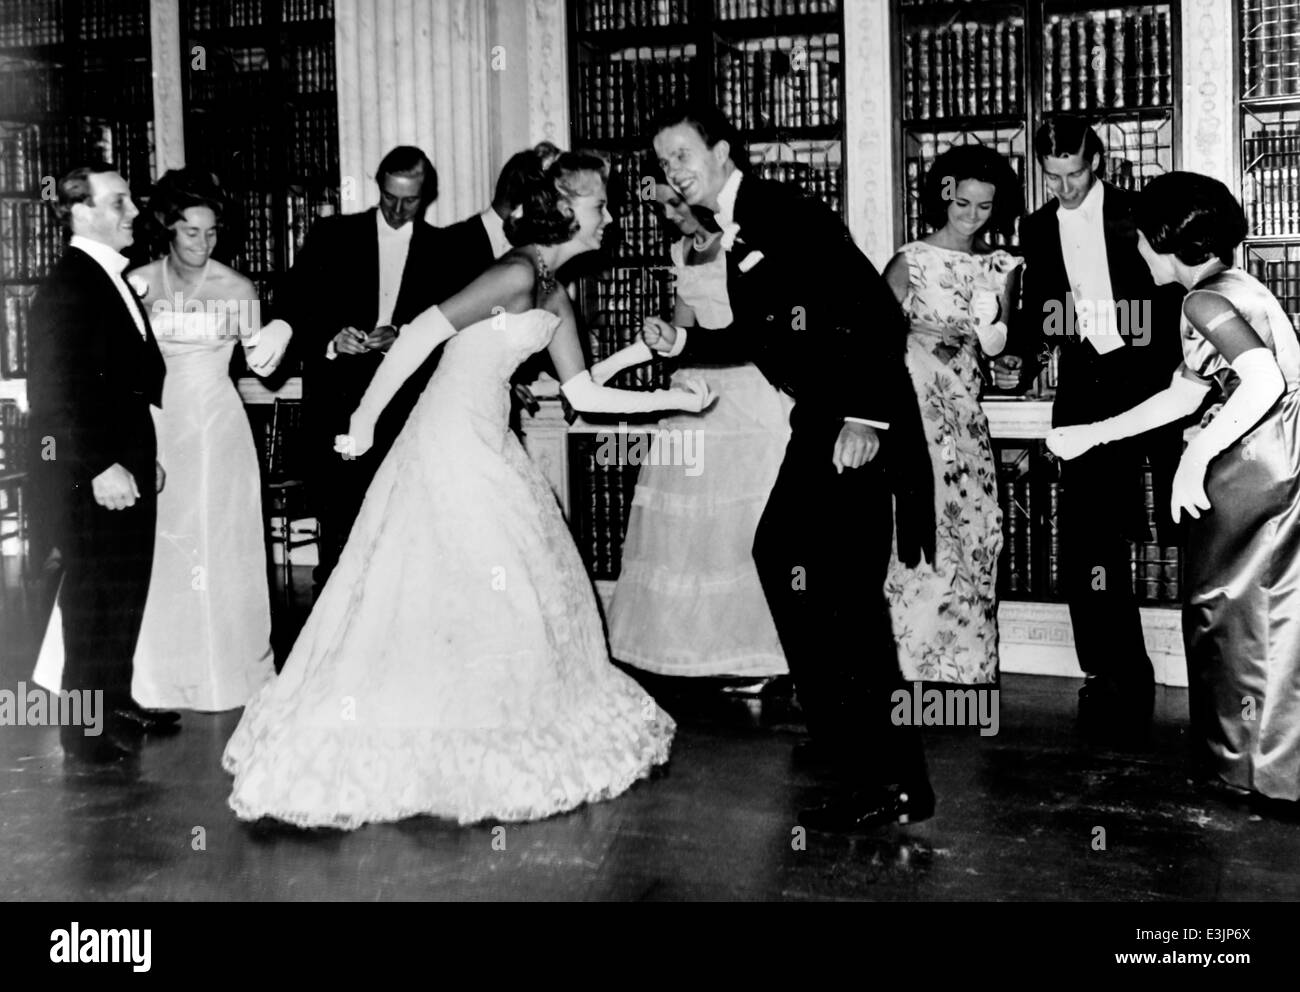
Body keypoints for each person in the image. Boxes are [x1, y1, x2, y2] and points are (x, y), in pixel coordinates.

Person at [222, 150, 713, 829]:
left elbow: (584, 396)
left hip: (492, 444)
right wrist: (363, 422)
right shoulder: (514, 273)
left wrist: (670, 391)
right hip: (448, 441)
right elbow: (420, 333)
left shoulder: (555, 291)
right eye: (601, 205)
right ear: (567, 210)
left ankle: (481, 730)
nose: (611, 218)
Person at [642, 103, 937, 833]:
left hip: (850, 416)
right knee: (792, 562)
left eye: (683, 154)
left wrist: (866, 417)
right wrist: (683, 349)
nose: (673, 171)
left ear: (722, 150)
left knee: (841, 594)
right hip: (823, 414)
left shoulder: (784, 212)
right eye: (664, 162)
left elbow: (875, 314)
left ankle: (891, 775)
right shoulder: (736, 226)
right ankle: (854, 748)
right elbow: (768, 332)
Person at [1047, 172, 1300, 805]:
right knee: (1251, 612)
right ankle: (1250, 765)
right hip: (1268, 463)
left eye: (1139, 238)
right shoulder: (1228, 288)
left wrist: (1198, 456)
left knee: (1232, 610)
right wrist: (1093, 434)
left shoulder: (1201, 302)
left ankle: (1256, 773)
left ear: (1165, 243)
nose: (1134, 250)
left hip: (1253, 468)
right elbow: (1181, 396)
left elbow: (1264, 382)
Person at [32, 169, 291, 712]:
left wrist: (277, 339)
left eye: (213, 232)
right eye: (192, 231)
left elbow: (261, 367)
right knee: (145, 553)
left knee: (215, 545)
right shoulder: (137, 281)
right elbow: (112, 366)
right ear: (169, 229)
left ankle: (216, 673)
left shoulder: (238, 288)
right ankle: (139, 683)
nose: (204, 243)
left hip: (218, 428)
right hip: (153, 429)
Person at [1003, 118, 1185, 739]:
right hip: (1086, 391)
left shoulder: (1140, 213)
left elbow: (1176, 297)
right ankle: (1113, 676)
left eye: (1075, 173)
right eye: (1052, 177)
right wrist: (1019, 358)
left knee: (1183, 519)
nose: (1067, 188)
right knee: (1088, 540)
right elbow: (1040, 313)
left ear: (1097, 159)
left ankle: (1218, 673)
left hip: (1159, 386)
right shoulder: (1035, 226)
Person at [606, 177, 791, 679]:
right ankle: (691, 653)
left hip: (749, 396)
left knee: (743, 525)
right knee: (684, 530)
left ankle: (755, 656)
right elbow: (683, 325)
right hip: (695, 394)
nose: (670, 214)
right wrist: (663, 347)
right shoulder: (681, 250)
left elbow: (763, 330)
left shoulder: (742, 245)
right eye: (664, 207)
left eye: (676, 204)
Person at [274, 146, 474, 594]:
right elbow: (292, 307)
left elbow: (456, 335)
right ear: (377, 187)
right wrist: (330, 338)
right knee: (339, 543)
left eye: (410, 201)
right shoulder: (331, 235)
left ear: (428, 196)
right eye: (389, 198)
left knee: (400, 534)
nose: (398, 211)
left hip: (405, 415)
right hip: (337, 412)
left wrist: (404, 336)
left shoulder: (445, 251)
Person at [26, 164, 171, 761]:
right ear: (81, 212)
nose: (134, 212)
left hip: (124, 464)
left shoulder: (106, 277)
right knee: (92, 600)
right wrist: (101, 467)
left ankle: (116, 702)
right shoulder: (69, 286)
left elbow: (121, 386)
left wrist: (142, 456)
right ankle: (84, 733)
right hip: (93, 474)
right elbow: (55, 398)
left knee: (123, 591)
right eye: (119, 203)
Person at [881, 145, 1023, 684]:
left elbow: (999, 344)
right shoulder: (911, 261)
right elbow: (873, 339)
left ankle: (963, 676)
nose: (970, 216)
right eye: (961, 202)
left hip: (964, 414)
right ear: (941, 197)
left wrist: (1002, 350)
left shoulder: (1002, 265)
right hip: (915, 407)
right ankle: (910, 672)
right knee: (921, 529)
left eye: (984, 206)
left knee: (976, 527)